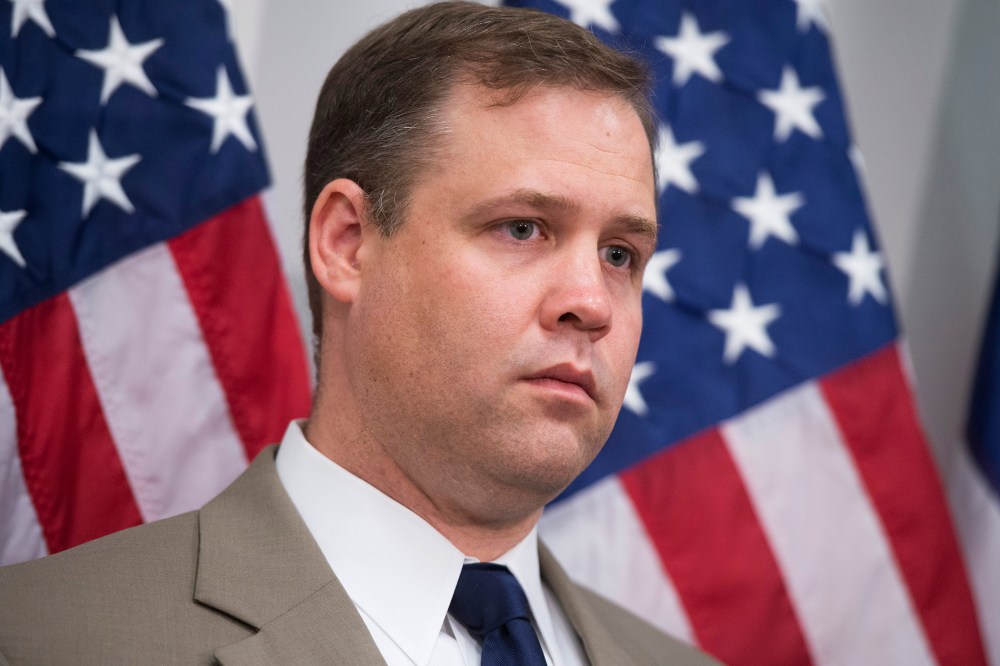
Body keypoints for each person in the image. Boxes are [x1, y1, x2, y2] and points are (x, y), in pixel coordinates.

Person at [0, 3, 719, 664]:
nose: (591, 302)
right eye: (523, 228)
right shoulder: (43, 639)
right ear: (347, 244)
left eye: (619, 254)